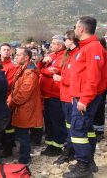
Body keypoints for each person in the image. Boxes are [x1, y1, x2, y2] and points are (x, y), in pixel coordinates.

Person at [63, 16, 106, 178]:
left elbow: (93, 77)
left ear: (81, 29)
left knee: (78, 131)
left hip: (85, 99)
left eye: (75, 27)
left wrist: (85, 99)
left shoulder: (93, 48)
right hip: (80, 98)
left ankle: (83, 168)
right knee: (86, 131)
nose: (74, 30)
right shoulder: (85, 47)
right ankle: (87, 163)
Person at [7, 47, 43, 164]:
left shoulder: (29, 73)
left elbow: (23, 93)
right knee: (21, 134)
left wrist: (12, 103)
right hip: (21, 107)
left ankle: (24, 159)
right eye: (16, 55)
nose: (15, 57)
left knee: (23, 135)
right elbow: (15, 89)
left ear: (26, 57)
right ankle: (24, 157)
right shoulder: (23, 69)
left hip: (25, 108)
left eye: (18, 55)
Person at [53, 30, 80, 165]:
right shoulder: (68, 56)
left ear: (72, 40)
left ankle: (70, 152)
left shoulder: (76, 56)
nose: (64, 41)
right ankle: (70, 150)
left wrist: (60, 78)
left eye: (66, 39)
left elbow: (75, 80)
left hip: (70, 97)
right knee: (69, 125)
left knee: (71, 126)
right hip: (64, 96)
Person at [39, 35, 67, 156]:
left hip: (55, 95)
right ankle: (50, 145)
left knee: (57, 121)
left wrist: (44, 69)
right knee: (49, 122)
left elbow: (51, 71)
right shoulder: (52, 55)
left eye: (54, 43)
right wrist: (43, 63)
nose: (51, 45)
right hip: (46, 94)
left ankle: (57, 146)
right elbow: (40, 67)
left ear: (60, 45)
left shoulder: (63, 56)